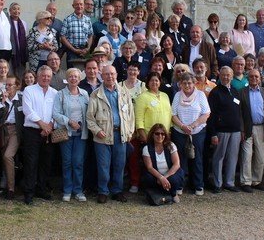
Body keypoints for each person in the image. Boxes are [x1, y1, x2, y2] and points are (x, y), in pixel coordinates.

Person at [86, 65, 135, 203]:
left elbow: (131, 114)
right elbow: (89, 118)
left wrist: (130, 131)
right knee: (103, 166)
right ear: (102, 76)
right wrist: (97, 130)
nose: (110, 77)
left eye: (112, 74)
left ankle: (117, 191)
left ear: (117, 75)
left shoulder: (124, 93)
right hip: (103, 136)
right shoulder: (95, 94)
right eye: (107, 74)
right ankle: (103, 191)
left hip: (121, 135)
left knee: (119, 165)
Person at [129, 72, 173, 193]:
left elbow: (169, 114)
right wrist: (142, 132)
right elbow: (139, 117)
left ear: (160, 82)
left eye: (157, 80)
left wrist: (169, 130)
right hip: (149, 136)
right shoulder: (142, 97)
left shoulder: (165, 96)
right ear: (147, 82)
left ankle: (161, 183)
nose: (155, 82)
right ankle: (138, 184)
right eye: (152, 80)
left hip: (163, 136)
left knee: (162, 161)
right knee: (147, 162)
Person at [21, 66, 58, 204]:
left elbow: (57, 111)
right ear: (38, 76)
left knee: (45, 161)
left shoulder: (55, 93)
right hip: (32, 131)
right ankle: (28, 192)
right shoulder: (29, 90)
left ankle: (41, 189)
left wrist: (50, 126)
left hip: (49, 131)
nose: (46, 78)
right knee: (31, 162)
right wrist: (43, 125)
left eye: (48, 76)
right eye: (43, 76)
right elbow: (28, 110)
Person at [52, 68, 90, 202]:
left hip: (81, 134)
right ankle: (67, 190)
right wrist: (69, 121)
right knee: (67, 162)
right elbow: (55, 113)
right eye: (71, 77)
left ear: (79, 79)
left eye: (76, 77)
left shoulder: (85, 94)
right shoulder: (60, 94)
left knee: (78, 162)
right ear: (67, 79)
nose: (73, 79)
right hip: (66, 133)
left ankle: (78, 190)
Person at [170, 73, 211, 195]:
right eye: (184, 83)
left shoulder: (200, 95)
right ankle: (179, 185)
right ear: (180, 84)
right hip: (180, 131)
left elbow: (206, 113)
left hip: (197, 131)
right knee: (180, 159)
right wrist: (182, 126)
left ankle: (198, 185)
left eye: (189, 83)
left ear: (194, 83)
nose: (187, 85)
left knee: (197, 158)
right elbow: (173, 114)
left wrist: (193, 125)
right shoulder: (178, 95)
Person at [207, 66, 243, 193]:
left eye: (228, 75)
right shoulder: (215, 93)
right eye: (223, 75)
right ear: (219, 76)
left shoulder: (235, 91)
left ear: (232, 77)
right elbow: (210, 115)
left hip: (235, 130)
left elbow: (239, 111)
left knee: (233, 157)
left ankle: (229, 182)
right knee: (219, 157)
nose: (225, 77)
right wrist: (213, 134)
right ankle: (218, 183)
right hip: (221, 131)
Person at [238, 69, 264, 192]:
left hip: (262, 127)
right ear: (248, 78)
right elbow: (240, 113)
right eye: (251, 76)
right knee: (247, 155)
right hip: (247, 127)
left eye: (256, 76)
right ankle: (245, 182)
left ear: (260, 78)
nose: (254, 78)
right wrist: (241, 129)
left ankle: (257, 181)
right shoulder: (241, 92)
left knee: (260, 156)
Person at [0, 74, 21, 199]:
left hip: (16, 130)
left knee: (8, 156)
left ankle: (11, 189)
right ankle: (5, 183)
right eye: (6, 85)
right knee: (3, 158)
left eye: (10, 85)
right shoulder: (1, 98)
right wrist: (2, 102)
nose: (8, 87)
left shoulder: (21, 98)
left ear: (16, 86)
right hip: (3, 131)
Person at [143, 124, 185, 203]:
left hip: (170, 174)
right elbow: (149, 167)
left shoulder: (171, 145)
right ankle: (157, 194)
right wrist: (160, 178)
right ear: (152, 135)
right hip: (156, 175)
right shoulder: (147, 148)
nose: (160, 136)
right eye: (157, 133)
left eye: (163, 134)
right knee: (148, 178)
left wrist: (164, 177)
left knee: (174, 180)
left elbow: (176, 164)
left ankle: (173, 194)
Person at [61, 0, 95, 68]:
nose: (79, 6)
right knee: (72, 72)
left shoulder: (87, 20)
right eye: (77, 4)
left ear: (84, 6)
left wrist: (88, 48)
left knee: (85, 72)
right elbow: (63, 37)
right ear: (73, 6)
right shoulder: (67, 19)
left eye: (81, 4)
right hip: (72, 51)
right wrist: (74, 50)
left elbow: (90, 35)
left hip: (85, 51)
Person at [9, 2, 29, 74]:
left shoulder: (23, 23)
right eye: (14, 9)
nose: (16, 11)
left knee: (21, 74)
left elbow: (25, 37)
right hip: (11, 52)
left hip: (21, 52)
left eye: (18, 9)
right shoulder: (7, 22)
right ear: (10, 11)